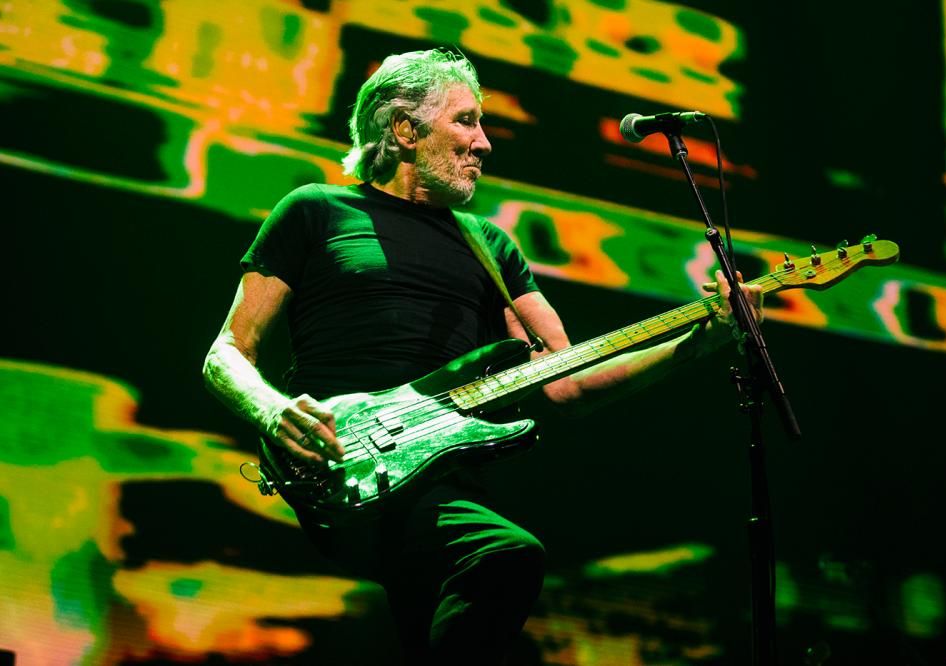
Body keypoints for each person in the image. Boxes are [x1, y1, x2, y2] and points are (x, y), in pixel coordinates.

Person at [203, 49, 763, 664]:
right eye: (466, 121)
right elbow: (227, 351)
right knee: (506, 556)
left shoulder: (490, 246)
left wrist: (699, 340)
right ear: (405, 130)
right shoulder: (316, 210)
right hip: (340, 461)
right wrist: (272, 413)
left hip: (442, 476)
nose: (484, 143)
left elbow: (566, 380)